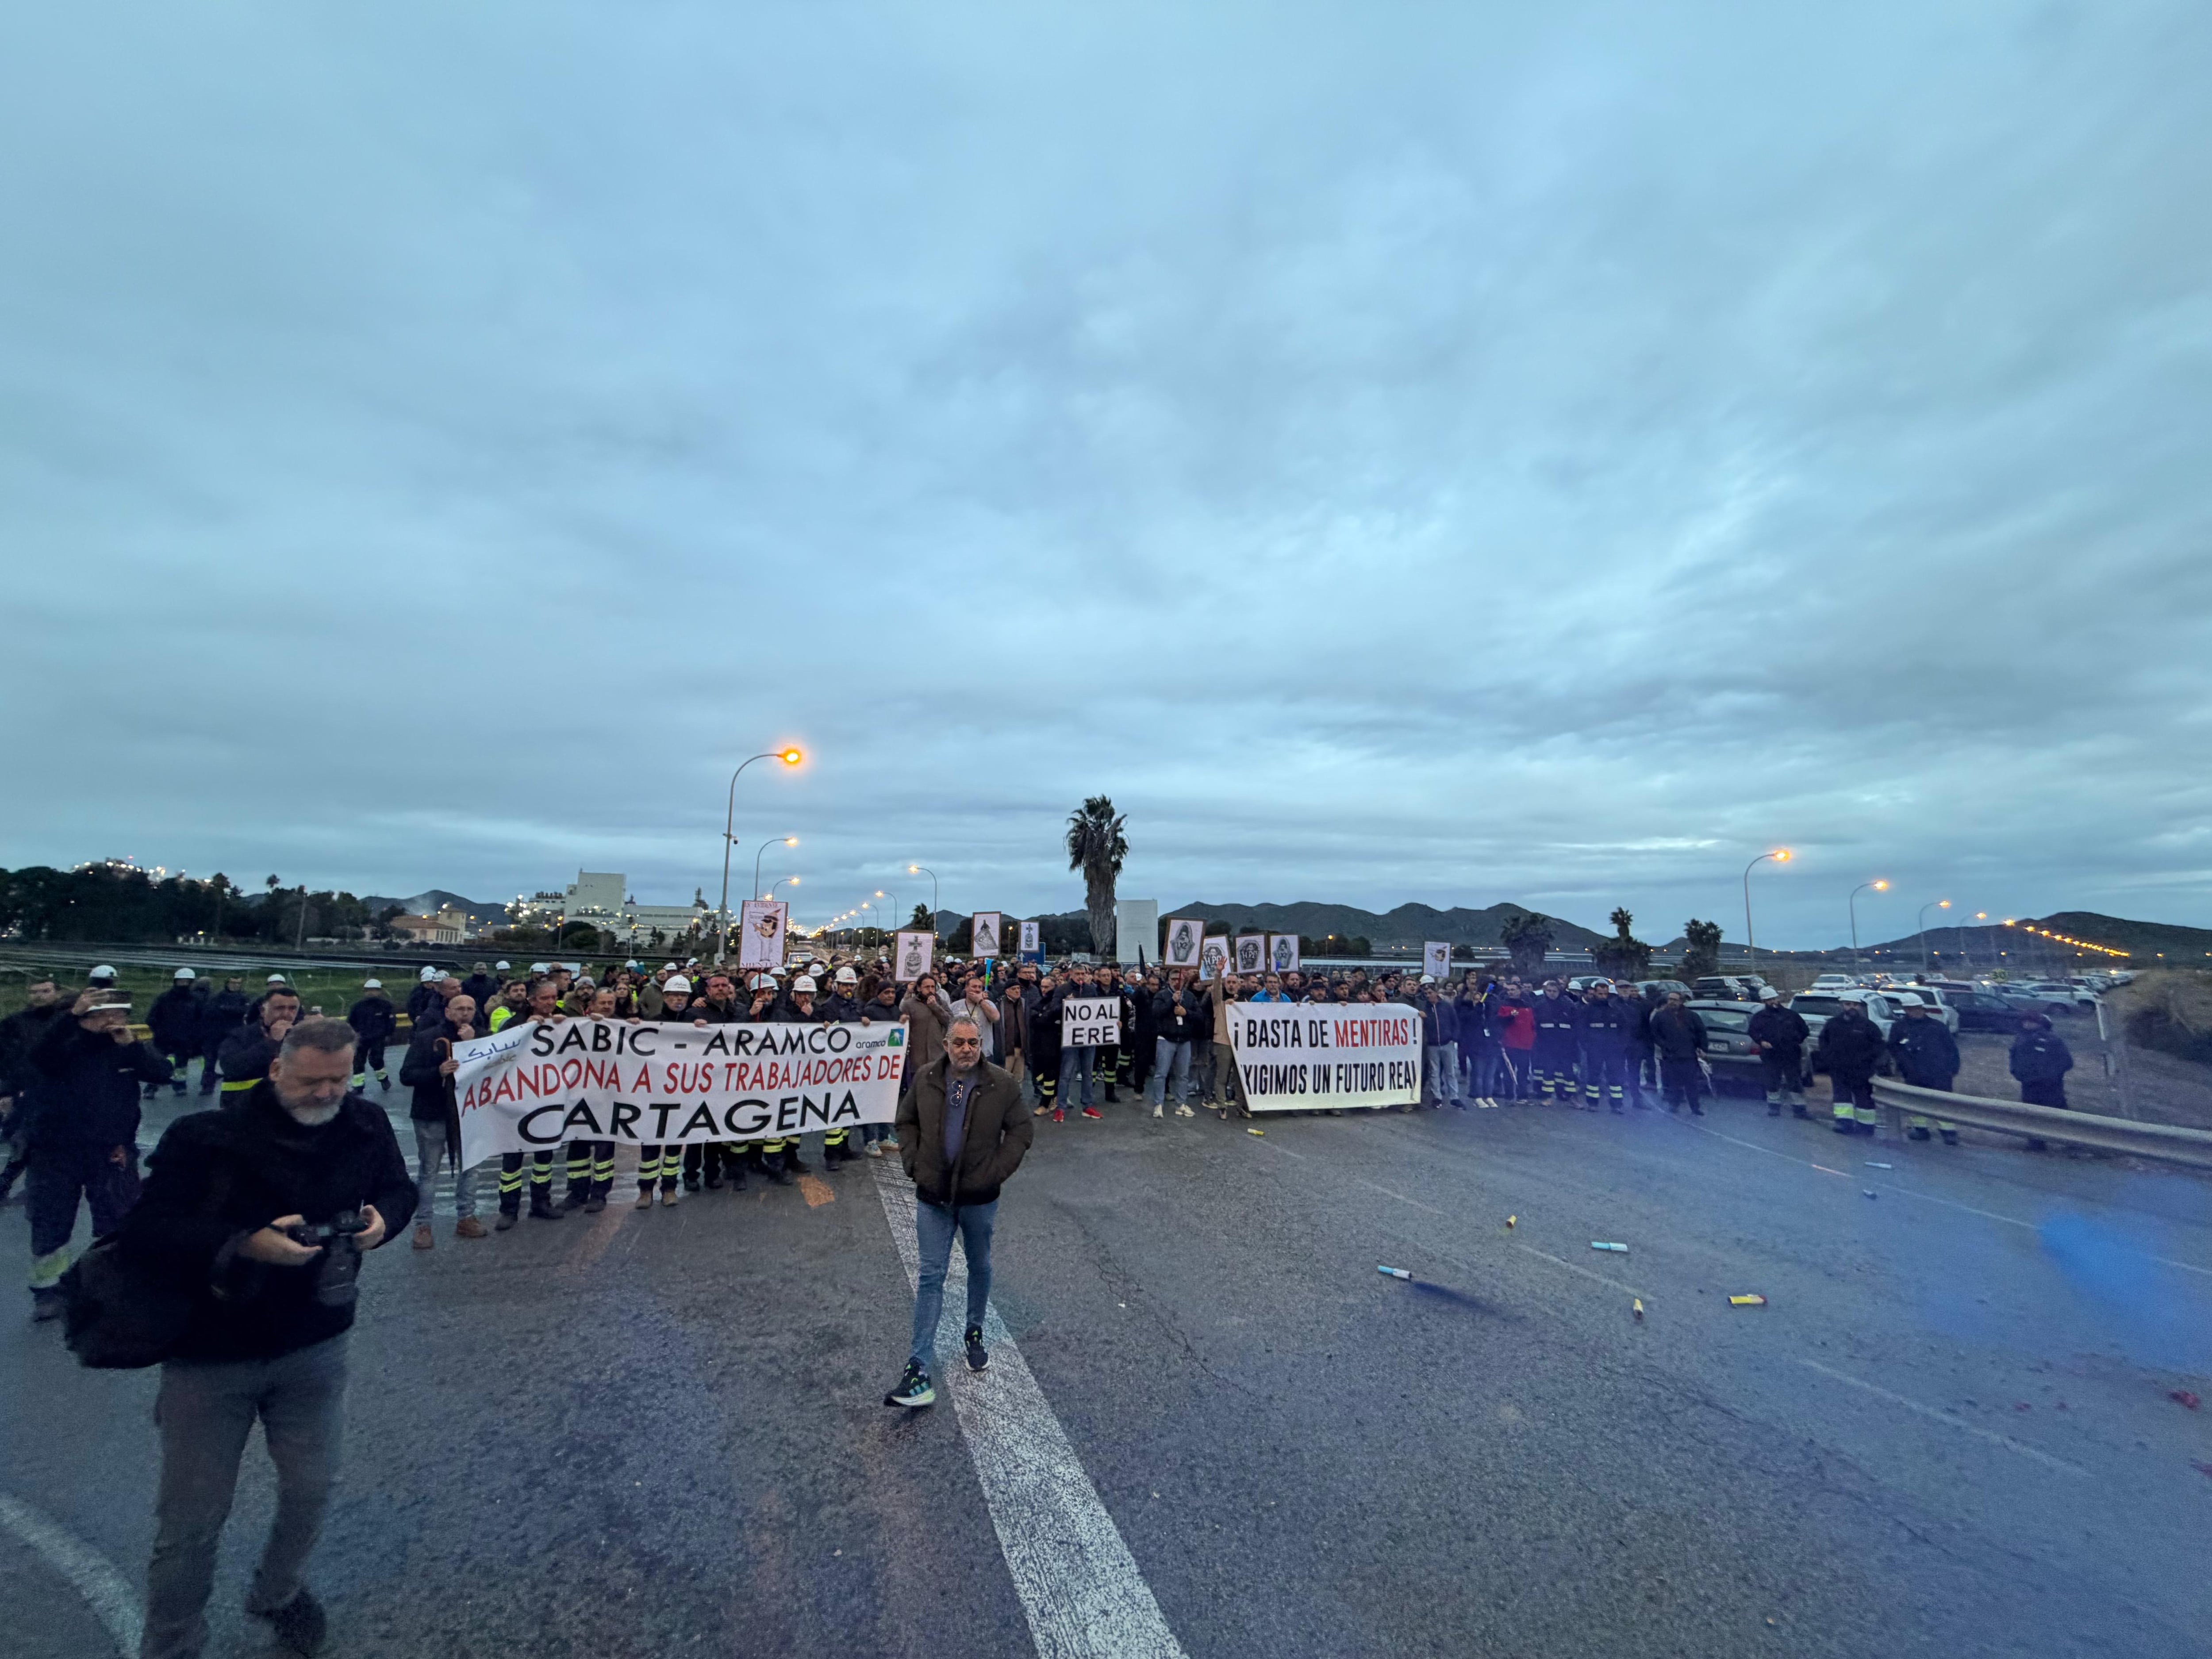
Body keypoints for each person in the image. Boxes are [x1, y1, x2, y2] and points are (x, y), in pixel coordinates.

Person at [120, 1017, 415, 1659]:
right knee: (192, 1520)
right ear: (278, 1069)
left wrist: (383, 1223)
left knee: (312, 1491)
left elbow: (398, 1188)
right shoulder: (206, 1136)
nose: (327, 1093)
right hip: (210, 1355)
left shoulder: (365, 1125)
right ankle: (171, 1643)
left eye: (339, 1079)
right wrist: (245, 1243)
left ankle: (278, 1592)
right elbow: (145, 1228)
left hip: (316, 1344)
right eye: (311, 1081)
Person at [883, 1015, 1032, 1409]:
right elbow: (906, 1121)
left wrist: (995, 1172)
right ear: (946, 1044)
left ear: (981, 1044)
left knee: (979, 1265)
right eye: (959, 1043)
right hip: (933, 1196)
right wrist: (913, 1163)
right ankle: (918, 1369)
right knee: (931, 1275)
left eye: (973, 1043)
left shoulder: (1002, 1084)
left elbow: (1022, 1131)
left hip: (979, 1198)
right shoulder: (927, 1078)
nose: (967, 1049)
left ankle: (974, 1331)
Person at [23, 987, 169, 1319]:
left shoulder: (126, 1047)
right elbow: (39, 1056)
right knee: (51, 1220)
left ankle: (111, 1286)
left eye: (119, 1014)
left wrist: (133, 1047)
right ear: (86, 1018)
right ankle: (48, 1290)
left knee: (118, 1220)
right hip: (55, 1151)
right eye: (105, 1014)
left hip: (112, 1152)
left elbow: (161, 1073)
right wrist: (71, 1018)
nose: (113, 1020)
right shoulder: (62, 1045)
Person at [397, 994, 488, 1245]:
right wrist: (437, 1072)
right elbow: (407, 1075)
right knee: (429, 1171)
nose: (465, 1013)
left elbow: (497, 1069)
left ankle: (466, 1217)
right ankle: (423, 1226)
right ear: (448, 1012)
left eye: (470, 1009)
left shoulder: (483, 1037)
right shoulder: (428, 1037)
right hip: (432, 1114)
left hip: (468, 1113)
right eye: (460, 1009)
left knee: (470, 1168)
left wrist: (474, 1044)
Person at [494, 980, 567, 1225]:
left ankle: (541, 1203)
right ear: (532, 1001)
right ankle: (508, 1210)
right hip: (518, 1100)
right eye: (545, 998)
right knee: (512, 1158)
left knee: (544, 1157)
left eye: (553, 998)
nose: (550, 1003)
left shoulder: (563, 1022)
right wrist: (523, 1028)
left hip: (548, 1100)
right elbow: (498, 1051)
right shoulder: (514, 1023)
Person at [0, 974, 72, 1204]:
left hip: (65, 1093)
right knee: (24, 1139)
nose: (39, 996)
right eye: (34, 992)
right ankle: (7, 1182)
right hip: (27, 1092)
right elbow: (4, 1060)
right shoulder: (15, 1023)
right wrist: (6, 1092)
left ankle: (47, 1186)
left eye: (45, 991)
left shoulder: (70, 1021)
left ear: (57, 993)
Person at [1888, 994, 1961, 1144]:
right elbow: (1894, 1049)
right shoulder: (1899, 1027)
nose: (1915, 1011)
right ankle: (1920, 1130)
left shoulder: (1937, 1027)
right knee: (1917, 1103)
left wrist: (1953, 1069)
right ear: (1905, 1009)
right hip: (1914, 1073)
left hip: (1939, 1073)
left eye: (1917, 1008)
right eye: (1911, 1009)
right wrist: (1905, 1067)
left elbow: (1951, 1049)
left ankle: (1948, 1132)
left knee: (1943, 1103)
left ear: (1922, 1008)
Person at [217, 984, 303, 1104]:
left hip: (287, 1105)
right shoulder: (241, 1035)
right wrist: (272, 1041)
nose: (286, 1014)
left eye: (293, 1009)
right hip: (245, 1104)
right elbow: (231, 1068)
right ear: (263, 1011)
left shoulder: (300, 1036)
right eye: (279, 1008)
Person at [1816, 998, 1885, 1136]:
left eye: (1855, 1005)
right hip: (1839, 1070)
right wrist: (1829, 1059)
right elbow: (1823, 1041)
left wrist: (1870, 1061)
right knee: (1842, 1098)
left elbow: (1879, 1046)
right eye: (1848, 1004)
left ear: (1860, 1007)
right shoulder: (1833, 1024)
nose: (1852, 1007)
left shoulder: (1868, 1026)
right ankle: (1844, 1123)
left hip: (1862, 1071)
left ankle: (1866, 1127)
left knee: (1864, 1099)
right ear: (1842, 1006)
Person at [2010, 1011, 2074, 1152]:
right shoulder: (2021, 1039)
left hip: (2051, 1086)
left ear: (2039, 1023)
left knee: (2059, 1114)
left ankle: (2074, 1144)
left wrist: (2050, 1076)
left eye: (2031, 1021)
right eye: (2025, 1021)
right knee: (2032, 1114)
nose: (2027, 1024)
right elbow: (2014, 1057)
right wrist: (2017, 1073)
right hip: (2029, 1085)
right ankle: (2036, 1143)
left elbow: (2067, 1062)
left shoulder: (2052, 1040)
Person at [1048, 963, 1105, 1120]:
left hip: (1088, 1037)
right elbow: (1054, 1010)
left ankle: (1087, 1106)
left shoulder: (1091, 990)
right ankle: (1061, 1107)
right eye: (1078, 974)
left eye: (1083, 974)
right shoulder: (1063, 990)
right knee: (1066, 1074)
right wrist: (1066, 1003)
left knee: (1088, 1074)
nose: (1081, 977)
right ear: (1071, 974)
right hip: (1070, 1038)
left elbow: (1100, 1010)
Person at [1149, 969, 1205, 1118]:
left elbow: (1200, 1017)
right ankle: (1158, 1104)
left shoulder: (1190, 997)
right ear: (1168, 981)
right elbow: (1156, 1013)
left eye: (1178, 979)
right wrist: (1172, 1002)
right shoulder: (1162, 995)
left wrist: (1186, 1013)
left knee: (1183, 1075)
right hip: (1166, 1038)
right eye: (1173, 979)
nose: (1176, 982)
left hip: (1184, 1040)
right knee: (1161, 1074)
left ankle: (1181, 1104)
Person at [1747, 987, 1811, 1117]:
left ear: (1778, 998)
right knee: (1772, 1081)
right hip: (1771, 1055)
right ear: (1764, 1001)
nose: (1773, 1002)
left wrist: (1796, 1040)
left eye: (1774, 999)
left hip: (1791, 1054)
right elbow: (1752, 1032)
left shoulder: (1791, 1015)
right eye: (1769, 1000)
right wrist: (1761, 1042)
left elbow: (1804, 1030)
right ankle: (1774, 1107)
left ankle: (1800, 1110)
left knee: (1795, 1081)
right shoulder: (1760, 1017)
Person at [1575, 980, 1635, 1113]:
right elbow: (1581, 1029)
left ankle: (1617, 1105)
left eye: (1605, 994)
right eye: (1600, 994)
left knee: (1616, 1077)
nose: (1603, 996)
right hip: (1595, 1049)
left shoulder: (1616, 1010)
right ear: (1595, 993)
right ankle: (1593, 1103)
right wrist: (1586, 1046)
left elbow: (1625, 1029)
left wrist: (1622, 1046)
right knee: (1594, 1076)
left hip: (1614, 1049)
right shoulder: (1587, 1010)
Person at [1647, 991, 1709, 1115]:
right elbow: (1654, 1033)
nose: (1672, 1002)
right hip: (1670, 1056)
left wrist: (1702, 1048)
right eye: (1670, 999)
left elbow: (1701, 1032)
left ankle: (1695, 1107)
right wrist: (1664, 1045)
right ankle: (1674, 1105)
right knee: (1674, 1083)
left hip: (1689, 1055)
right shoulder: (1661, 1016)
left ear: (1681, 1002)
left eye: (1675, 1000)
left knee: (1691, 1084)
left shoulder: (1691, 1016)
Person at [147, 971, 204, 1099]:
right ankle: (151, 1087)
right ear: (175, 982)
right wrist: (159, 1032)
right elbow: (152, 1018)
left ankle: (180, 1086)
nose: (184, 984)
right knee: (157, 1063)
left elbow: (201, 1020)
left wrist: (195, 1037)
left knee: (181, 1066)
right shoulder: (164, 998)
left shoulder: (196, 1000)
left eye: (187, 982)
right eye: (181, 981)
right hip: (163, 1039)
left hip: (185, 1040)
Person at [1529, 979, 1580, 1105]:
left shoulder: (1568, 1004)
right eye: (1549, 991)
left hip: (1565, 1043)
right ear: (1545, 991)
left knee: (1568, 1072)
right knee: (1548, 1071)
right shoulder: (1540, 1005)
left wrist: (1572, 1041)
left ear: (1559, 991)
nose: (1552, 993)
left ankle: (1571, 1097)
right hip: (1547, 1043)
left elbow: (1576, 1024)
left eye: (1554, 991)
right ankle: (1547, 1097)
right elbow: (1534, 1024)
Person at [196, 977, 248, 1097]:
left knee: (233, 1063)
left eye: (238, 983)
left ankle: (235, 1089)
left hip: (233, 1036)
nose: (236, 986)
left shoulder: (244, 997)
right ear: (227, 984)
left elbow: (244, 1011)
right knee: (210, 1063)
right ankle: (207, 1086)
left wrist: (225, 1009)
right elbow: (210, 1012)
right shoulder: (218, 997)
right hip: (215, 1035)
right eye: (233, 983)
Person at [344, 979, 397, 1093]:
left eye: (374, 990)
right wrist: (353, 1036)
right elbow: (351, 1022)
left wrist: (389, 1035)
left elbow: (391, 1022)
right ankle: (358, 1086)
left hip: (378, 1038)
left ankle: (384, 1079)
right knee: (358, 1062)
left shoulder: (386, 1006)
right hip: (361, 1039)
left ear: (380, 991)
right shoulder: (358, 1007)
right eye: (369, 990)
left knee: (376, 1060)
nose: (371, 993)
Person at [1493, 978, 1536, 1100]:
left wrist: (1533, 1037)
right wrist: (1509, 1017)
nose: (1511, 992)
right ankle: (1509, 1095)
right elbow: (1499, 1022)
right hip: (1509, 1044)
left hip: (1525, 1044)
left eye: (1513, 990)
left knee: (1523, 1072)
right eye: (1509, 990)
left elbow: (1533, 1024)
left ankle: (1523, 1095)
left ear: (1519, 991)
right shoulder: (1503, 1005)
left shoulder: (1527, 1005)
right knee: (1508, 1072)